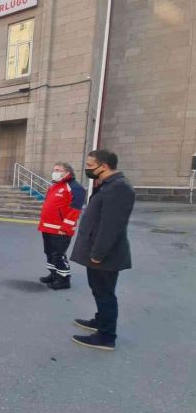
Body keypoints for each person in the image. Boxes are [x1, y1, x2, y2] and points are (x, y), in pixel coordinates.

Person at [70, 150, 135, 351]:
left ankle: (106, 336)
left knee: (105, 293)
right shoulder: (108, 185)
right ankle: (100, 321)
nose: (87, 168)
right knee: (99, 290)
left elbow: (111, 226)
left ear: (104, 166)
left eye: (90, 165)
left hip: (104, 255)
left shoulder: (119, 188)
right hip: (98, 252)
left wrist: (98, 253)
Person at [38, 162, 86, 290]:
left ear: (67, 172)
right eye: (54, 169)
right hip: (47, 227)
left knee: (58, 254)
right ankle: (54, 274)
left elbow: (74, 211)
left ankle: (64, 279)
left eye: (58, 170)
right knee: (49, 252)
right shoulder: (55, 186)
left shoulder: (75, 188)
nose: (55, 172)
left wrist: (65, 228)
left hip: (60, 230)